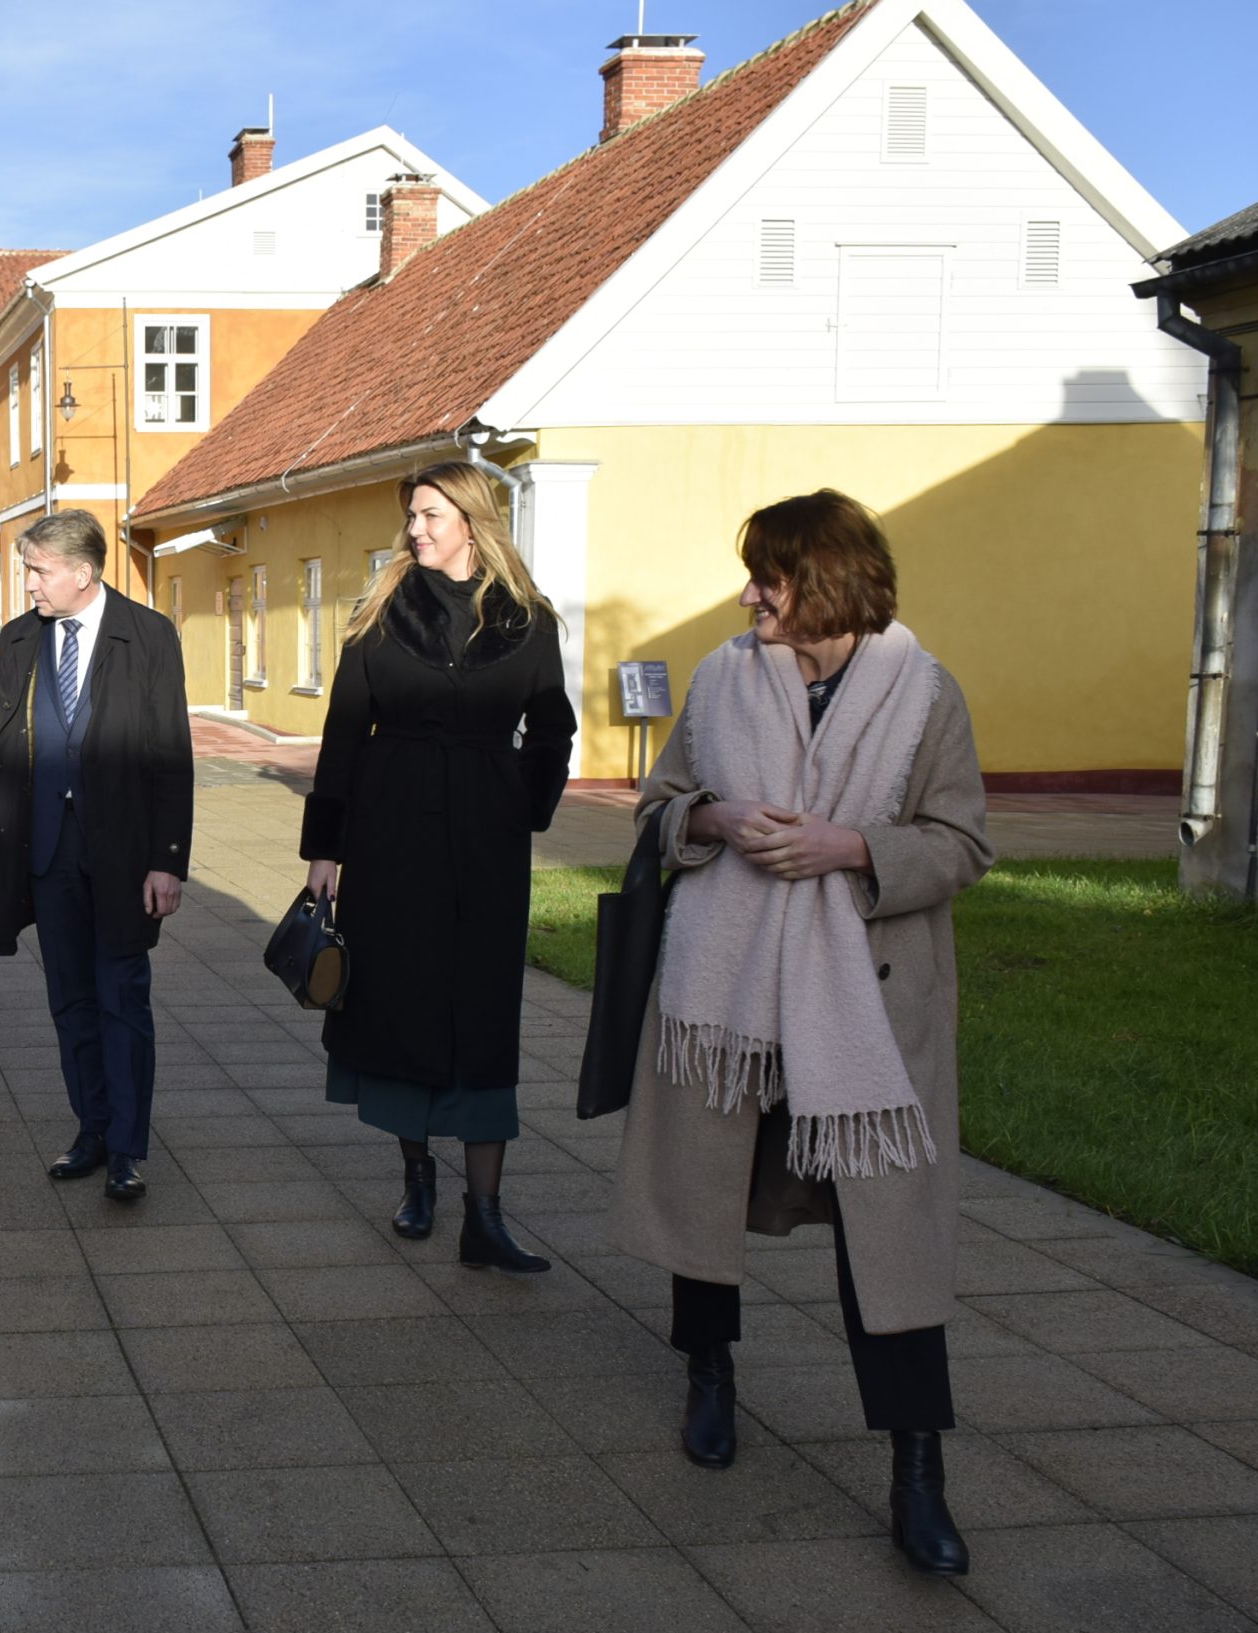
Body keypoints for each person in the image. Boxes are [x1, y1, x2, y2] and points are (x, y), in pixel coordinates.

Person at [612, 489, 991, 1576]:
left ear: (823, 581)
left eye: (767, 577)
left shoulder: (925, 693)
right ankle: (709, 1374)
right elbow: (659, 807)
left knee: (889, 1240)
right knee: (706, 1187)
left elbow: (961, 842)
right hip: (725, 996)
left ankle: (917, 1472)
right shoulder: (722, 678)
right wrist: (715, 817)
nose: (749, 598)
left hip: (863, 1003)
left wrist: (850, 847)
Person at [302, 462, 576, 1271]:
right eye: (413, 516)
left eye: (430, 514)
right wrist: (326, 849)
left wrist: (523, 802)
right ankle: (417, 1175)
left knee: (484, 1010)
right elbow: (344, 732)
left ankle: (484, 1215)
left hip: (489, 840)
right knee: (403, 1001)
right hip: (392, 833)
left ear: (471, 520)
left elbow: (552, 726)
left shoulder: (529, 619)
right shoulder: (380, 610)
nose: (416, 529)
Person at [0, 509, 193, 1202]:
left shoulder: (147, 635)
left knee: (121, 997)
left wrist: (168, 859)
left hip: (124, 853)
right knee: (70, 1000)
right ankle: (92, 1129)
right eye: (27, 570)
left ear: (84, 572)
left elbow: (171, 754)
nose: (29, 583)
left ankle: (127, 1147)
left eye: (39, 571)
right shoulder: (17, 639)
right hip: (46, 851)